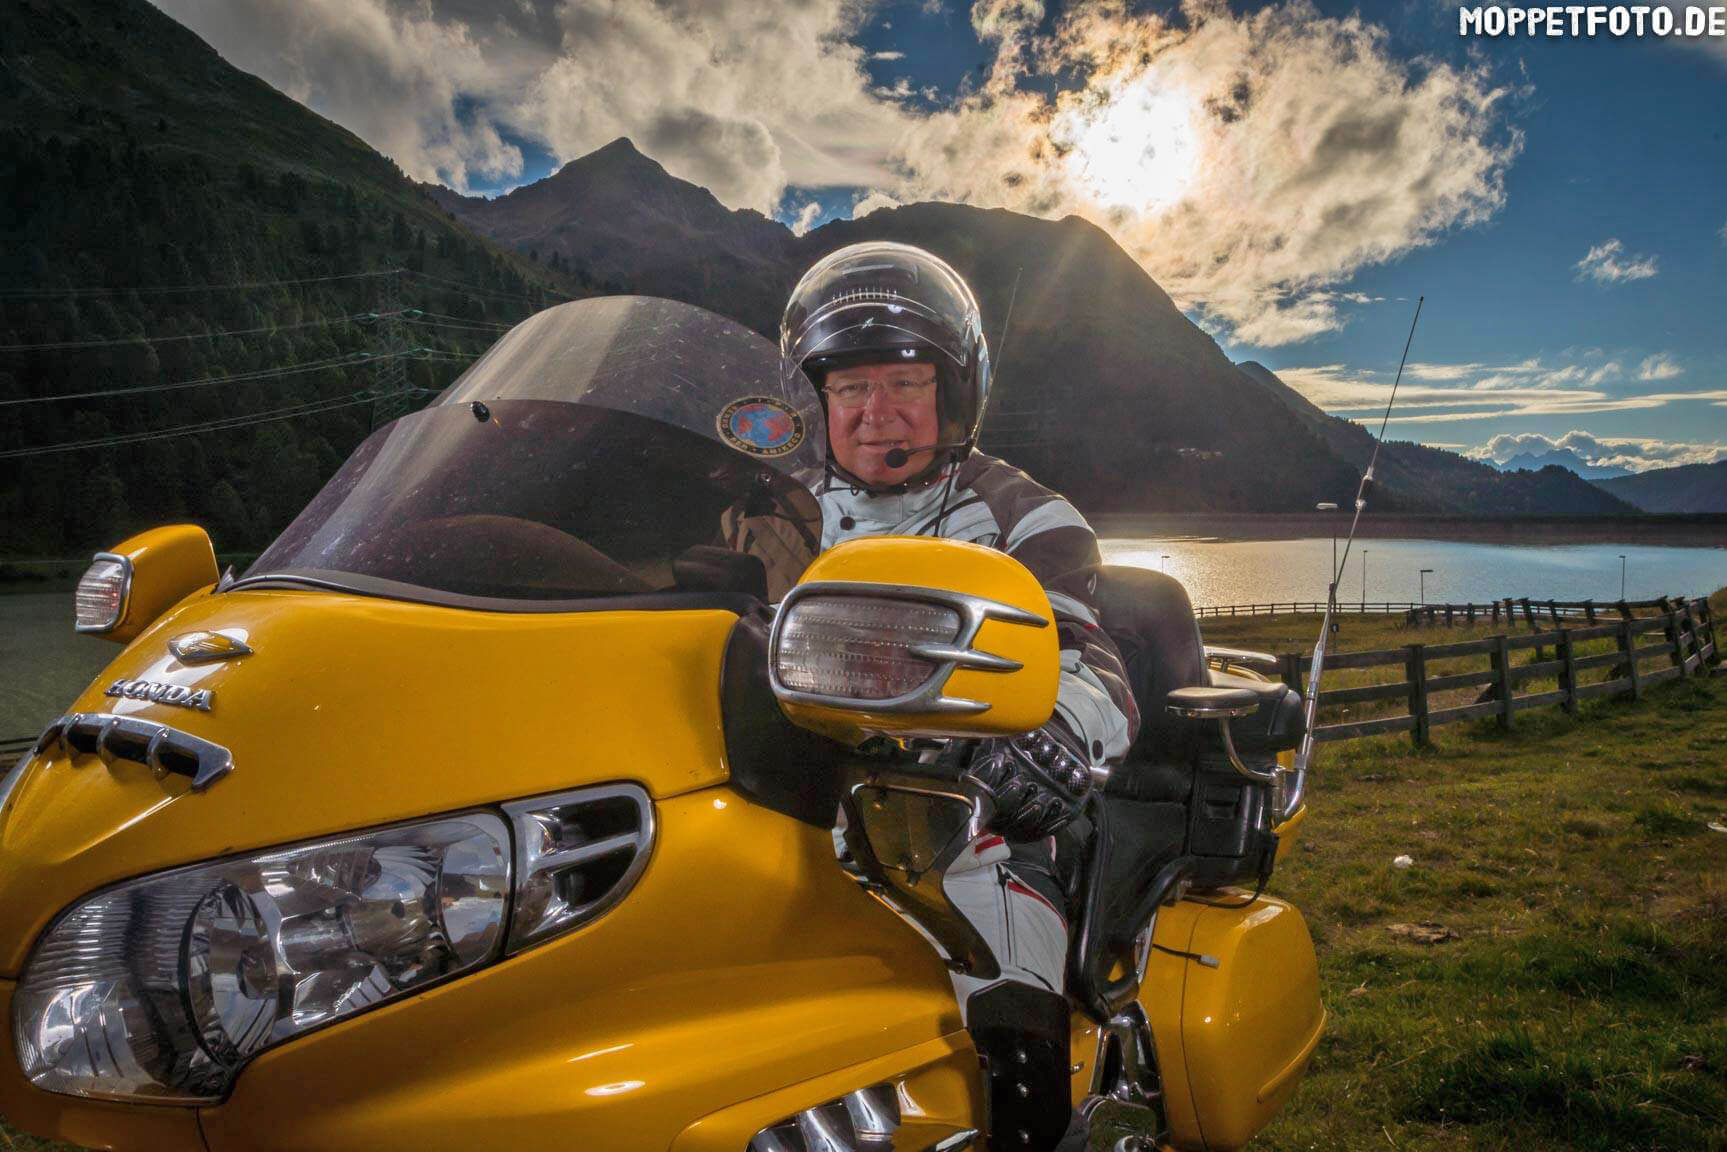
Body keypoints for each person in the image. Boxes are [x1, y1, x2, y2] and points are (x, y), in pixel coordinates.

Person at [779, 241, 1142, 1152]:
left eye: (904, 381)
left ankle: (1029, 1120)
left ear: (955, 393)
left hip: (952, 795)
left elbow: (1087, 662)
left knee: (988, 896)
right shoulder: (763, 506)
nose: (874, 412)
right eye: (849, 387)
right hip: (771, 778)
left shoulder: (1023, 515)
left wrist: (1049, 738)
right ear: (813, 400)